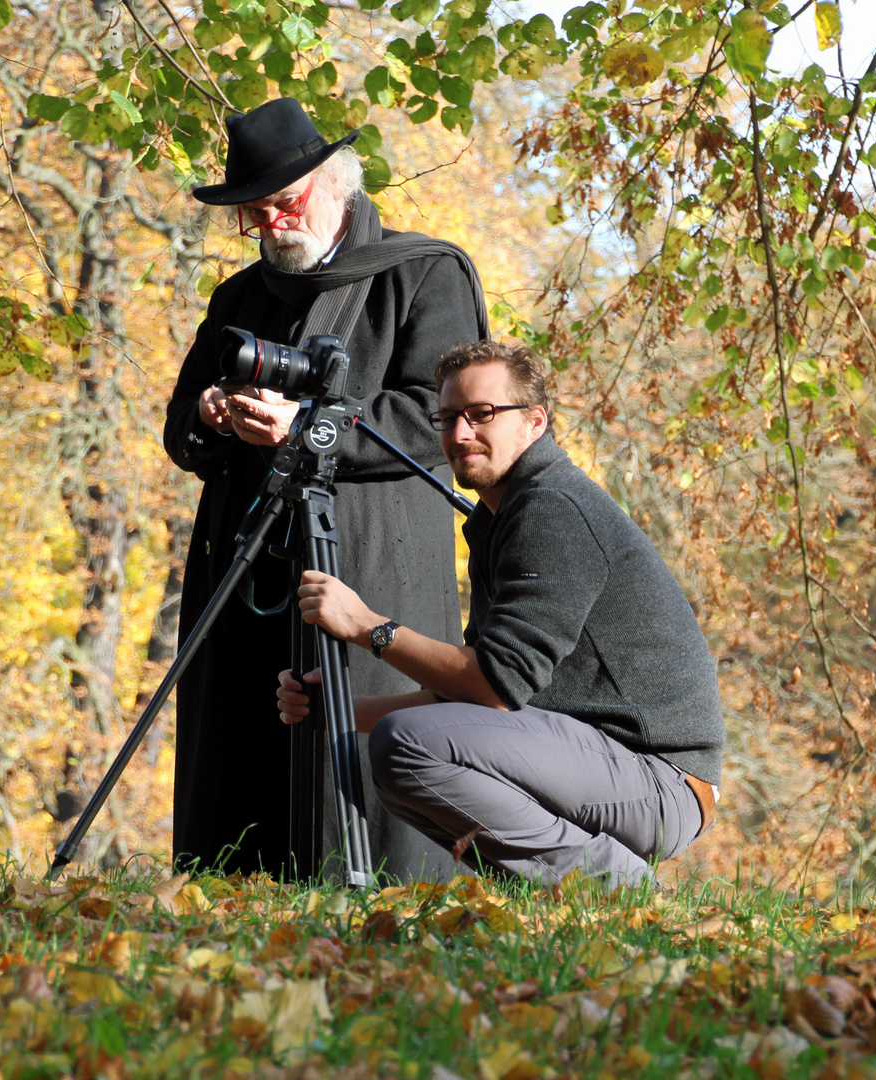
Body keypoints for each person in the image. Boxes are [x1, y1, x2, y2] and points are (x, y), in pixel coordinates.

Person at [163, 97, 487, 881]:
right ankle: (235, 893)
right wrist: (213, 413)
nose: (270, 224)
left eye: (284, 203)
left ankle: (389, 904)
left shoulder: (424, 274)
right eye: (253, 214)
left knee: (366, 762)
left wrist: (306, 425)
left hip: (373, 561)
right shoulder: (238, 299)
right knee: (243, 763)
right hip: (247, 571)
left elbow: (440, 419)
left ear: (336, 184)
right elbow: (180, 432)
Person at [275, 341, 726, 886]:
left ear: (535, 421)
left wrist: (368, 627)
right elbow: (471, 699)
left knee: (406, 743)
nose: (460, 434)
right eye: (447, 419)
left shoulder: (553, 508)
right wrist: (342, 710)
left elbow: (492, 687)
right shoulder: (507, 516)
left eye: (482, 414)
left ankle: (615, 887)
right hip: (603, 766)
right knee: (401, 753)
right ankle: (567, 894)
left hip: (659, 781)